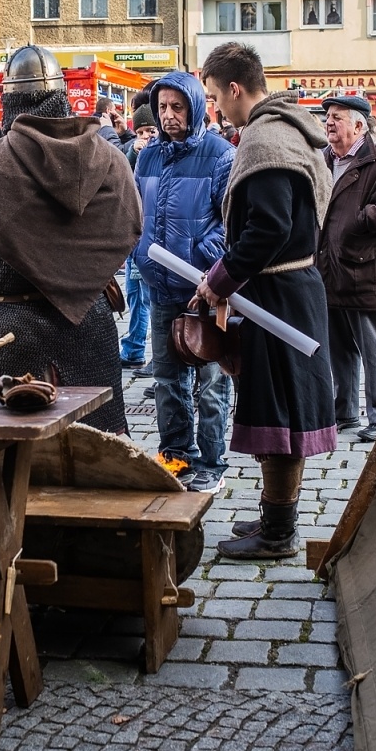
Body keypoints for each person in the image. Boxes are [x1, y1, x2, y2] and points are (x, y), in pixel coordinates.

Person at [0, 45, 141, 435]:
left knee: (10, 454)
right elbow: (131, 227)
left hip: (11, 326)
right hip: (88, 321)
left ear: (10, 98)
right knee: (98, 449)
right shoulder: (111, 158)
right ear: (61, 94)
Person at [196, 42, 336, 560]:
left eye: (215, 96)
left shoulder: (266, 140)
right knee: (282, 414)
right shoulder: (285, 129)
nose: (215, 107)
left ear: (236, 89)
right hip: (286, 292)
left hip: (280, 296)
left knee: (282, 417)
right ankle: (277, 515)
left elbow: (270, 228)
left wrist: (220, 279)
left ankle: (278, 533)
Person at [133, 71, 236, 493]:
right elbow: (137, 212)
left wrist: (198, 254)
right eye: (162, 108)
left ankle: (212, 461)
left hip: (205, 288)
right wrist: (139, 249)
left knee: (212, 380)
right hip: (160, 286)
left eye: (177, 107)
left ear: (195, 107)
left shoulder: (220, 155)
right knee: (167, 380)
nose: (169, 116)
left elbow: (232, 225)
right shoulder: (148, 156)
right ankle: (176, 454)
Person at [315, 97, 376, 443]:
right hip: (331, 270)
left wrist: (362, 220)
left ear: (358, 126)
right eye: (327, 118)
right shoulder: (324, 159)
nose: (329, 123)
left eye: (337, 118)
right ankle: (343, 412)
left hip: (367, 271)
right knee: (338, 348)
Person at [119, 96, 157, 373]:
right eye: (141, 131)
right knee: (134, 294)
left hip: (150, 239)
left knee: (147, 297)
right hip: (134, 239)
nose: (145, 136)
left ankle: (149, 351)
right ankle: (133, 347)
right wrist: (134, 150)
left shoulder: (161, 156)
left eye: (150, 131)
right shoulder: (133, 152)